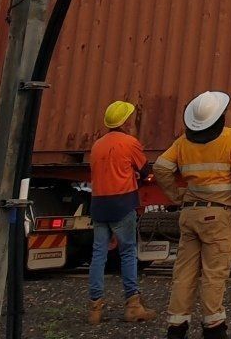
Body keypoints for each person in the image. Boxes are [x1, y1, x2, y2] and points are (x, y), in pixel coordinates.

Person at [152, 92, 231, 339]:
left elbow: (160, 167)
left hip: (189, 214)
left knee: (184, 273)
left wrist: (177, 196)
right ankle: (214, 328)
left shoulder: (182, 143)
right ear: (219, 117)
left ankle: (176, 327)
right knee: (213, 274)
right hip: (217, 216)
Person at [87, 100, 157, 324]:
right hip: (123, 203)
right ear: (125, 122)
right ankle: (133, 305)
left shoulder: (97, 145)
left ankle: (95, 309)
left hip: (98, 204)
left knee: (98, 255)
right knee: (127, 252)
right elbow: (145, 170)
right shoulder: (130, 143)